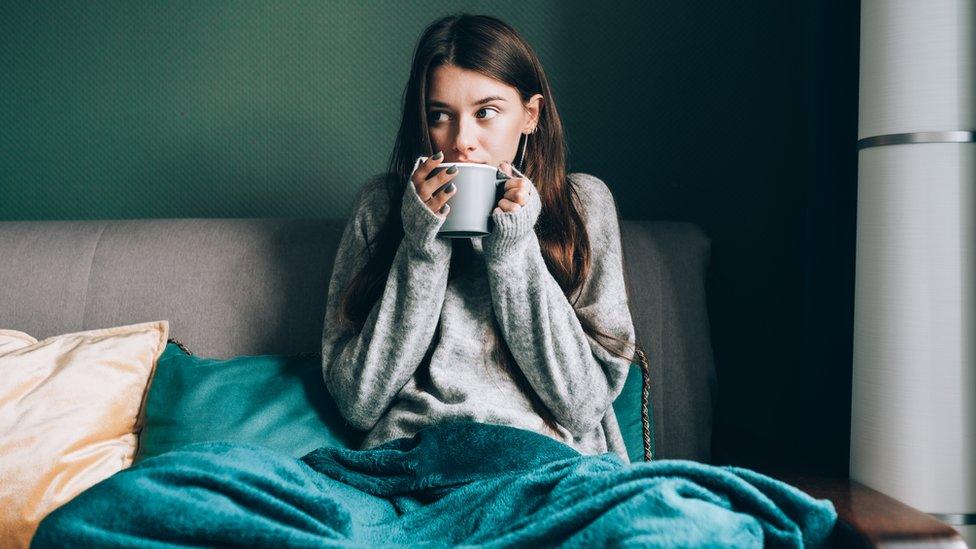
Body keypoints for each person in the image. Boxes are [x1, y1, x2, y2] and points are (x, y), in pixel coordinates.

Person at [321, 12, 645, 464]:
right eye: (440, 116)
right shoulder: (381, 206)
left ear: (529, 115)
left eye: (486, 113)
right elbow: (359, 402)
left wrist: (514, 249)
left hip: (542, 463)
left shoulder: (584, 205)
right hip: (410, 462)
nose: (462, 141)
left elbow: (584, 405)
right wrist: (421, 246)